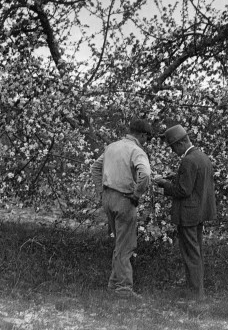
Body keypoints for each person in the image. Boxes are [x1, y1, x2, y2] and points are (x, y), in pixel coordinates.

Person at [91, 119, 153, 299]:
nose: (146, 141)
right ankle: (124, 288)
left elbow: (95, 167)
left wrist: (100, 191)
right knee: (126, 245)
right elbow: (146, 173)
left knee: (119, 242)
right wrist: (137, 194)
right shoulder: (136, 151)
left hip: (108, 198)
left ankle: (113, 283)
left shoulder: (112, 147)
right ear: (142, 135)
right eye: (146, 138)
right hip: (124, 199)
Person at [153, 124, 216, 301]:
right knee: (197, 252)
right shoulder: (201, 156)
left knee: (190, 254)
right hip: (199, 212)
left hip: (188, 214)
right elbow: (195, 183)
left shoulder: (188, 160)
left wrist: (163, 183)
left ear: (180, 143)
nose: (173, 151)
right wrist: (175, 176)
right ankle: (196, 290)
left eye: (173, 147)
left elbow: (183, 191)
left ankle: (195, 294)